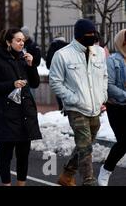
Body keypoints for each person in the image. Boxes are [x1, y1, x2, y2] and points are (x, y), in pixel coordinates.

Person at [49, 19, 108, 186]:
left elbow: (104, 76)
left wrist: (102, 95)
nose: (93, 37)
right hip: (75, 108)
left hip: (95, 107)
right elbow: (55, 82)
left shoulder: (99, 52)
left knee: (86, 144)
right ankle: (89, 181)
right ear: (79, 36)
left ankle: (67, 174)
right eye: (89, 35)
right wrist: (73, 99)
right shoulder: (62, 55)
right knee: (85, 145)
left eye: (94, 34)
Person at [0, 28, 41, 186]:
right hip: (7, 113)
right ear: (9, 42)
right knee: (6, 154)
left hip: (25, 112)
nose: (22, 43)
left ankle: (21, 184)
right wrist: (12, 84)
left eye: (23, 40)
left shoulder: (24, 59)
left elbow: (35, 83)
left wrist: (31, 65)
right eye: (18, 40)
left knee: (23, 154)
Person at [97, 29, 126, 186]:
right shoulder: (113, 61)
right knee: (123, 141)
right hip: (117, 107)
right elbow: (109, 86)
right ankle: (105, 170)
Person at [45, 34, 69, 111]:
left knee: (59, 91)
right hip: (68, 73)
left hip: (56, 74)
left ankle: (61, 108)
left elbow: (48, 63)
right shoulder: (68, 47)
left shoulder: (53, 47)